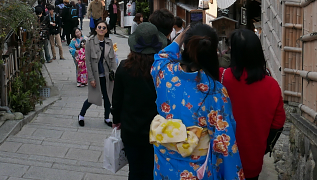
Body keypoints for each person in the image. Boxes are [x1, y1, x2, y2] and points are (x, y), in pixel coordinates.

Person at [151, 23, 244, 179]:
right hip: (197, 170)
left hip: (164, 165)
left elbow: (162, 55)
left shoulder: (164, 72)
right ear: (214, 52)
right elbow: (224, 143)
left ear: (186, 47)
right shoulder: (215, 91)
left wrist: (181, 37)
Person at [220, 29, 286, 180]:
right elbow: (278, 122)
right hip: (253, 158)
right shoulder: (272, 85)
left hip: (223, 158)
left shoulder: (222, 78)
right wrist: (264, 145)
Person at [112, 23, 167, 180]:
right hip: (157, 129)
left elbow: (117, 99)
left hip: (131, 128)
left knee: (135, 170)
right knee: (152, 170)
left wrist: (116, 119)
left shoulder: (124, 67)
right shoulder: (163, 69)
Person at [78, 19, 116, 127]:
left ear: (106, 30)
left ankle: (107, 118)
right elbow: (88, 61)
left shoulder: (109, 42)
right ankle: (81, 115)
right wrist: (91, 78)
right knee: (92, 98)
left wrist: (114, 72)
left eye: (104, 27)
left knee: (108, 97)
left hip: (107, 75)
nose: (101, 29)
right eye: (99, 27)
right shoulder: (90, 42)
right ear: (96, 29)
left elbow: (113, 59)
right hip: (95, 75)